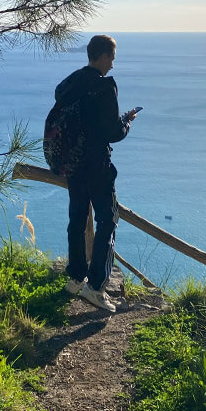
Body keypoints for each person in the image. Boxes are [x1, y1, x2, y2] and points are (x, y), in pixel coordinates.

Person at [53, 34, 138, 312]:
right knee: (108, 220)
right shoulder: (104, 87)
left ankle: (76, 278)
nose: (112, 64)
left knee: (77, 219)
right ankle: (96, 286)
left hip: (73, 164)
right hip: (97, 165)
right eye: (111, 58)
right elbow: (112, 132)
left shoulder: (70, 83)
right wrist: (127, 122)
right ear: (102, 56)